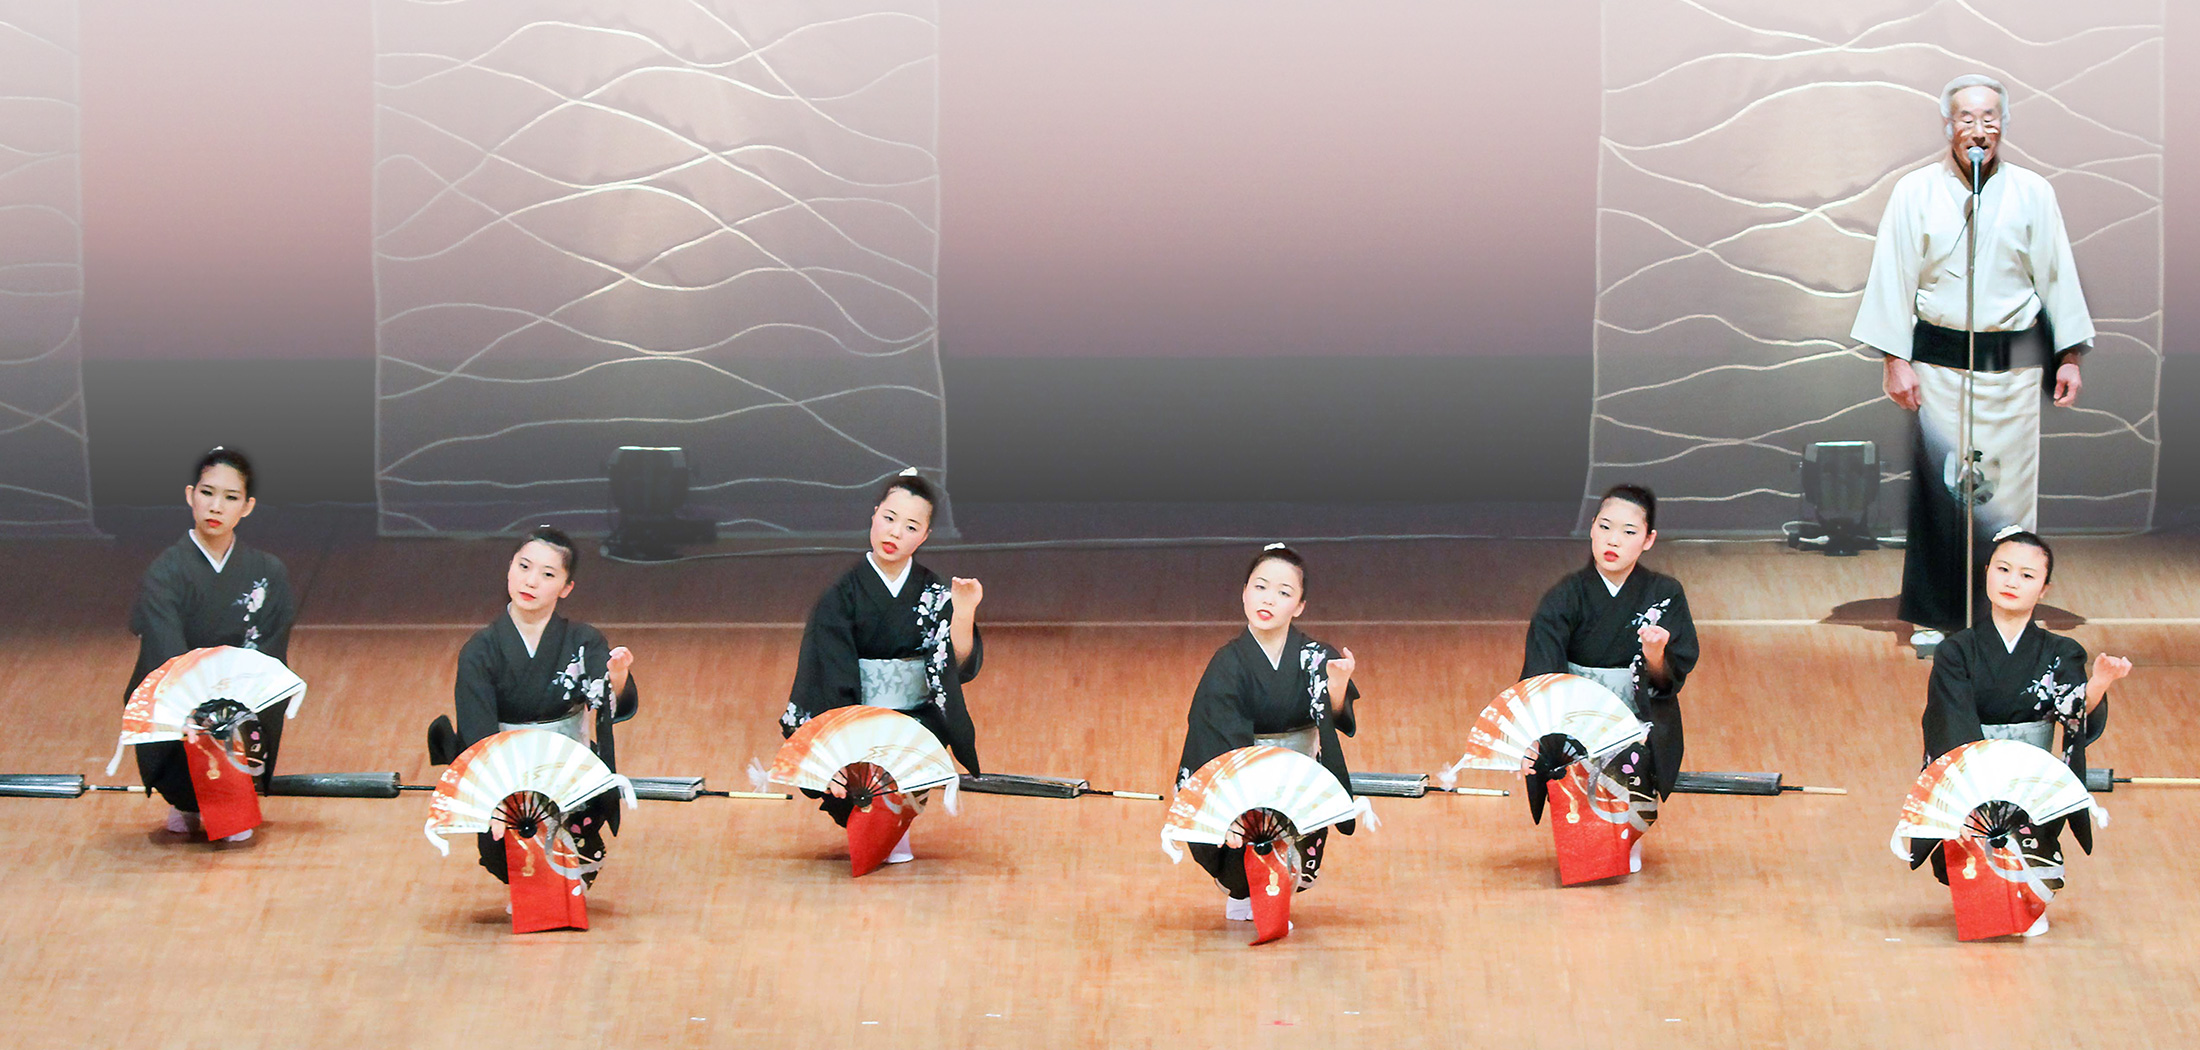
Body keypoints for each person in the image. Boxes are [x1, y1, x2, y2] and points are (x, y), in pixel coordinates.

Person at [1851, 74, 2096, 651]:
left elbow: (2056, 274)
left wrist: (2069, 356)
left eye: (1989, 118)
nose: (1978, 130)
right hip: (1939, 370)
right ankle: (1940, 614)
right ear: (1948, 125)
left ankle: (2005, 619)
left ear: (2003, 125)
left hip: (2011, 370)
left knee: (2008, 497)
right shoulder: (1914, 191)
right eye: (1966, 118)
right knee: (1945, 494)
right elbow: (1892, 278)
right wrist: (1895, 359)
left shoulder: (2033, 191)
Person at [1911, 529, 2129, 928]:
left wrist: (2099, 682)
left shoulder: (2062, 651)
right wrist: (1975, 777)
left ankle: (2024, 906)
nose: (2012, 581)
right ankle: (1984, 905)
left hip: (2033, 776)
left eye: (2027, 576)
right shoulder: (1956, 650)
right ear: (1988, 573)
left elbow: (2072, 709)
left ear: (2044, 588)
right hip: (1973, 769)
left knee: (2030, 844)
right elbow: (1951, 718)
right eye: (2004, 569)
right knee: (1979, 842)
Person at [780, 470, 983, 864]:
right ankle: (873, 823)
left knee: (909, 759)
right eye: (888, 518)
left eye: (910, 526)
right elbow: (832, 674)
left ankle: (893, 826)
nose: (895, 533)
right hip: (857, 717)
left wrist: (963, 612)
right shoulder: (839, 598)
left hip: (915, 720)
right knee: (857, 778)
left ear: (924, 536)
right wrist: (842, 745)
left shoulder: (933, 592)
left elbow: (955, 667)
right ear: (874, 515)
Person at [428, 526, 638, 886]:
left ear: (566, 587)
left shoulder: (583, 640)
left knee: (578, 856)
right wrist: (494, 798)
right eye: (524, 567)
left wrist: (617, 674)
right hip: (505, 772)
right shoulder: (480, 650)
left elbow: (607, 699)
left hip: (565, 765)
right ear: (510, 568)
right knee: (508, 853)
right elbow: (478, 730)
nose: (532, 581)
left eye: (548, 574)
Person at [1175, 544, 1359, 922]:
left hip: (1298, 780)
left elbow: (1335, 717)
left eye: (1284, 592)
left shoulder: (1314, 656)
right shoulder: (1227, 665)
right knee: (1248, 839)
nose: (1268, 599)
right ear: (1244, 591)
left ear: (1300, 605)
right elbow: (1215, 739)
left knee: (1291, 850)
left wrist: (1337, 684)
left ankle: (1275, 892)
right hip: (1248, 781)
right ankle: (1246, 892)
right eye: (1260, 587)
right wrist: (1231, 809)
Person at [1520, 484, 1697, 867]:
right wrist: (1536, 734)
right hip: (1575, 709)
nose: (1613, 540)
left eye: (1629, 532)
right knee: (1582, 836)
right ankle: (1586, 843)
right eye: (1605, 527)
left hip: (1635, 711)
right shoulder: (1565, 596)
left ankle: (1625, 838)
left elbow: (1666, 683)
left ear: (1648, 540)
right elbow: (1542, 669)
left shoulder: (1664, 593)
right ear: (1591, 530)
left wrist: (1654, 654)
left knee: (1631, 771)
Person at [126, 447, 296, 842]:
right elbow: (164, 651)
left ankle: (233, 796)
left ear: (248, 507)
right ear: (190, 495)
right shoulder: (165, 572)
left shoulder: (267, 572)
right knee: (171, 698)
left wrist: (236, 696)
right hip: (181, 690)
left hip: (241, 696)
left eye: (231, 497)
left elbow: (269, 648)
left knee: (262, 697)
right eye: (207, 493)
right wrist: (199, 698)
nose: (216, 506)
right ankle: (185, 798)